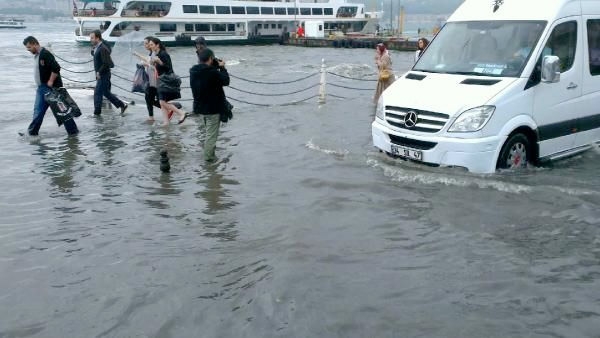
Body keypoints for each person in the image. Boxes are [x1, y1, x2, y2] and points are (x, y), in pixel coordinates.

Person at [22, 36, 79, 136]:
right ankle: (32, 133)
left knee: (62, 112)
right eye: (27, 48)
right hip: (41, 89)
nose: (28, 50)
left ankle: (73, 133)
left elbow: (56, 68)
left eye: (29, 47)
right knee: (38, 112)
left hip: (51, 89)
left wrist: (51, 81)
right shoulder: (37, 55)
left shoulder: (45, 54)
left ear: (35, 43)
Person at [190, 48, 230, 162]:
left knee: (208, 132)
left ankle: (210, 154)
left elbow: (208, 79)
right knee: (211, 135)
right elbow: (226, 81)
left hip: (201, 107)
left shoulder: (194, 71)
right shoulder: (212, 72)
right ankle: (209, 160)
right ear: (211, 58)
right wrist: (222, 67)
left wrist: (215, 67)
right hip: (212, 108)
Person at [147, 37, 187, 125]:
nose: (150, 46)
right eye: (149, 45)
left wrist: (159, 62)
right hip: (160, 80)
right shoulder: (155, 54)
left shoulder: (163, 54)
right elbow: (155, 68)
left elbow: (169, 68)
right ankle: (166, 123)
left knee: (162, 102)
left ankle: (181, 113)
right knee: (162, 103)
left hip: (166, 81)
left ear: (157, 45)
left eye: (151, 45)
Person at [90, 30, 128, 116]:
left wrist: (99, 72)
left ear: (98, 38)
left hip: (103, 75)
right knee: (105, 93)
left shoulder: (102, 48)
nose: (90, 39)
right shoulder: (97, 47)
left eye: (92, 38)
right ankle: (122, 105)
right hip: (102, 75)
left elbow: (107, 63)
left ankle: (97, 113)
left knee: (97, 93)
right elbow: (99, 58)